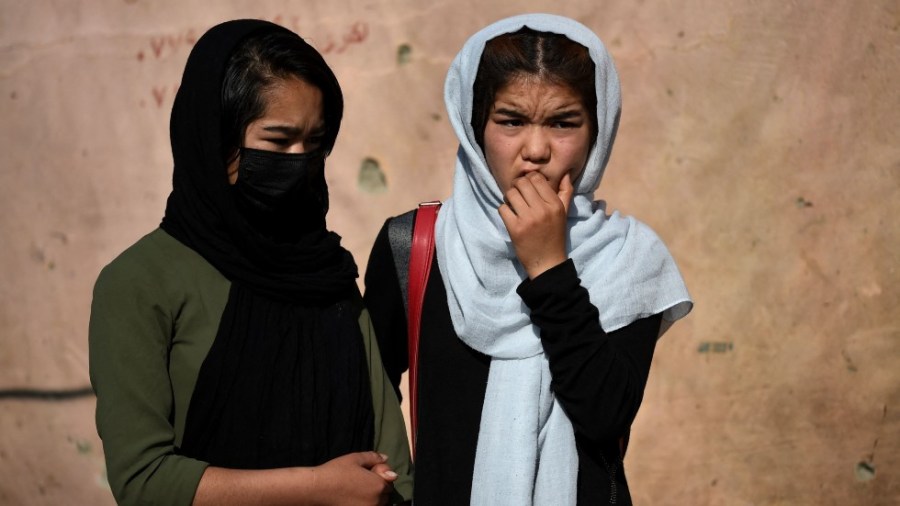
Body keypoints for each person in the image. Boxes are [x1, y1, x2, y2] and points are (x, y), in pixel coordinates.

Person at [364, 13, 692, 505]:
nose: (535, 150)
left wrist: (550, 267)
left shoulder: (629, 258)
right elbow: (368, 407)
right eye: (511, 121)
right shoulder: (416, 246)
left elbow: (604, 415)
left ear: (597, 132)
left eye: (564, 123)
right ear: (475, 126)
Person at [89, 19, 412, 506]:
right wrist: (317, 488)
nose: (300, 160)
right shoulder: (140, 283)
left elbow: (394, 466)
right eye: (278, 142)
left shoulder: (327, 277)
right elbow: (143, 481)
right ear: (217, 141)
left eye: (314, 142)